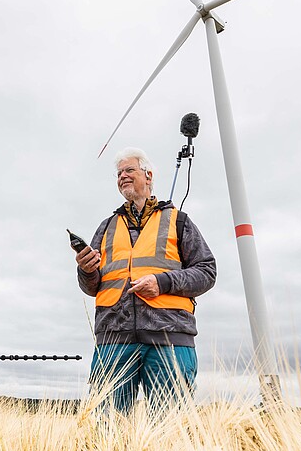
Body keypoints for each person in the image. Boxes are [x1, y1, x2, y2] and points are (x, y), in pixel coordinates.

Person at [75, 147, 217, 414]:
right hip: (113, 340)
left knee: (169, 430)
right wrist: (86, 270)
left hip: (170, 338)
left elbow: (207, 271)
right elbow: (91, 287)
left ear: (148, 176)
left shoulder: (179, 222)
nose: (122, 176)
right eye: (118, 174)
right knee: (108, 429)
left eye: (129, 170)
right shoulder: (105, 228)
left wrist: (162, 283)